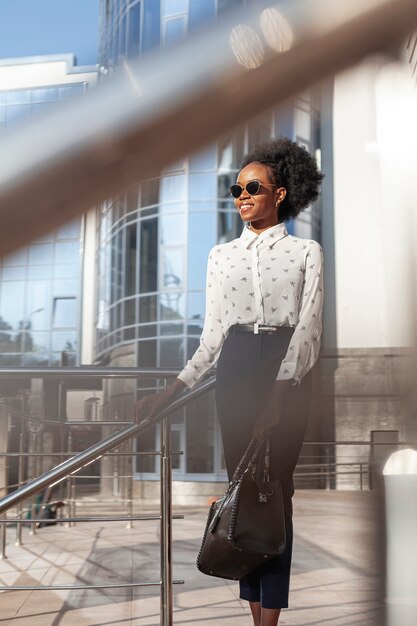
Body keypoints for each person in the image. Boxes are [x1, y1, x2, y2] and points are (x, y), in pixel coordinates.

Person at [134, 137, 324, 626]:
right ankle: (255, 611)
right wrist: (170, 390)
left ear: (279, 194)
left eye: (252, 186)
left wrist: (281, 391)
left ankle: (269, 620)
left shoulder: (307, 251)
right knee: (243, 492)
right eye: (234, 188)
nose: (241, 195)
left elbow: (309, 327)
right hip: (237, 367)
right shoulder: (221, 256)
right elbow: (213, 335)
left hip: (287, 366)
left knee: (275, 491)